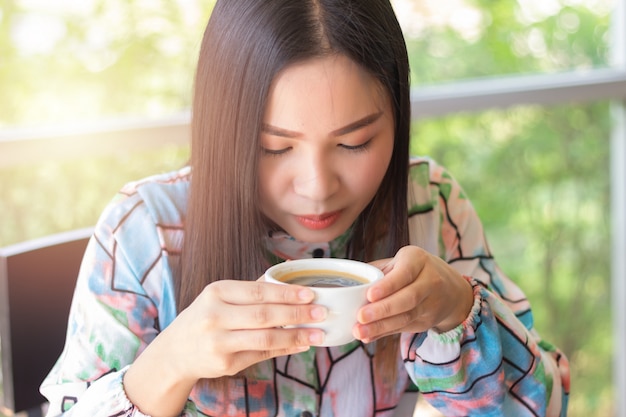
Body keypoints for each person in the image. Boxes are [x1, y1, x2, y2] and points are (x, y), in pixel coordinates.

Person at [40, 0, 571, 416]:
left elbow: (541, 409)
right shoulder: (145, 232)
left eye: (355, 142)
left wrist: (458, 313)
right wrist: (171, 364)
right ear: (223, 130)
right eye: (273, 147)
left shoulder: (428, 208)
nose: (317, 188)